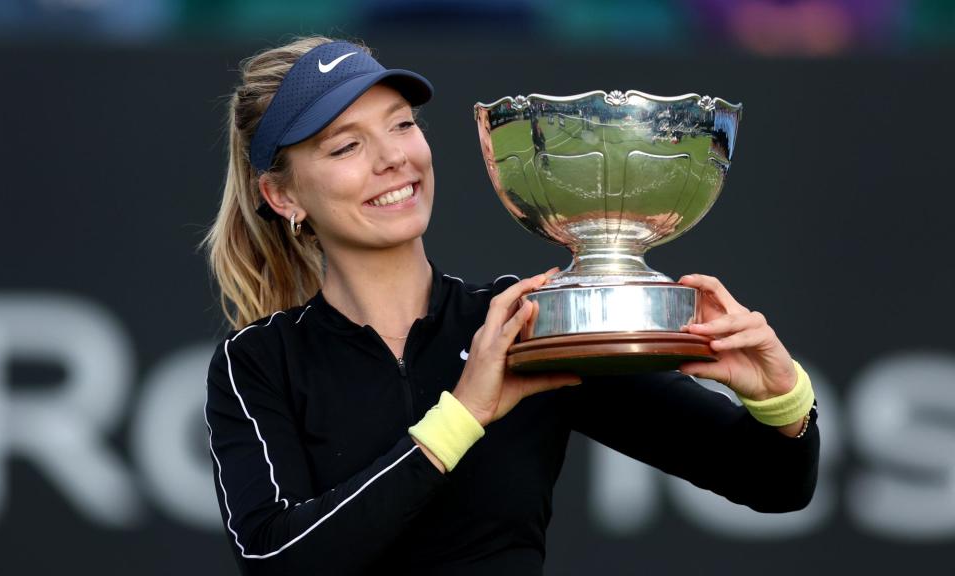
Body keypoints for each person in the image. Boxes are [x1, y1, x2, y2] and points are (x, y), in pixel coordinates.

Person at [202, 36, 820, 576]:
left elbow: (773, 483)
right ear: (283, 195)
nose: (395, 157)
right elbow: (277, 560)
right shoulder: (258, 362)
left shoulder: (521, 323)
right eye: (346, 147)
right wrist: (463, 414)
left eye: (401, 123)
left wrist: (778, 394)